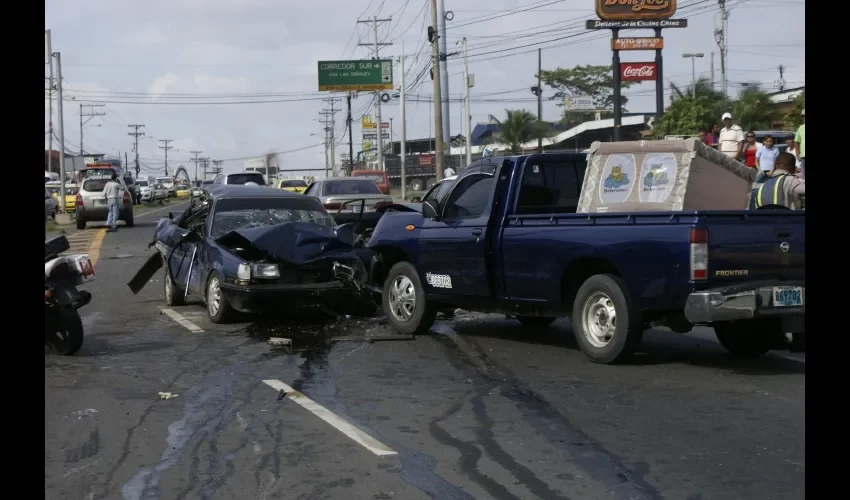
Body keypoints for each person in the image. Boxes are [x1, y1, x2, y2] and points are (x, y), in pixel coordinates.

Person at [794, 108, 805, 178]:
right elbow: (796, 142)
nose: (804, 117)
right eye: (803, 116)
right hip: (804, 157)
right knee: (804, 177)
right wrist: (797, 155)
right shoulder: (800, 128)